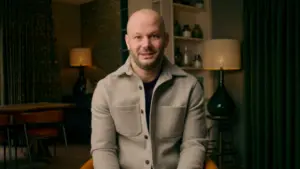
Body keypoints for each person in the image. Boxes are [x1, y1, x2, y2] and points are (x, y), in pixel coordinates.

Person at [91, 8, 208, 169]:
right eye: (138, 37)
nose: (146, 45)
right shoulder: (105, 89)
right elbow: (103, 149)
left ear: (166, 40)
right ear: (128, 42)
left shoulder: (191, 87)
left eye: (154, 36)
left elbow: (193, 145)